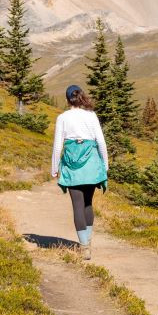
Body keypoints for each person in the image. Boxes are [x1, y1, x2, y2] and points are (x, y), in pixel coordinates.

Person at [50, 85, 109, 259]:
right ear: (81, 97)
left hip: (72, 165)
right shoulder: (91, 116)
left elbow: (58, 146)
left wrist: (54, 169)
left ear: (68, 99)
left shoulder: (62, 118)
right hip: (91, 164)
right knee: (88, 203)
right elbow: (101, 143)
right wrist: (104, 165)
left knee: (77, 205)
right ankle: (87, 243)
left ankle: (84, 247)